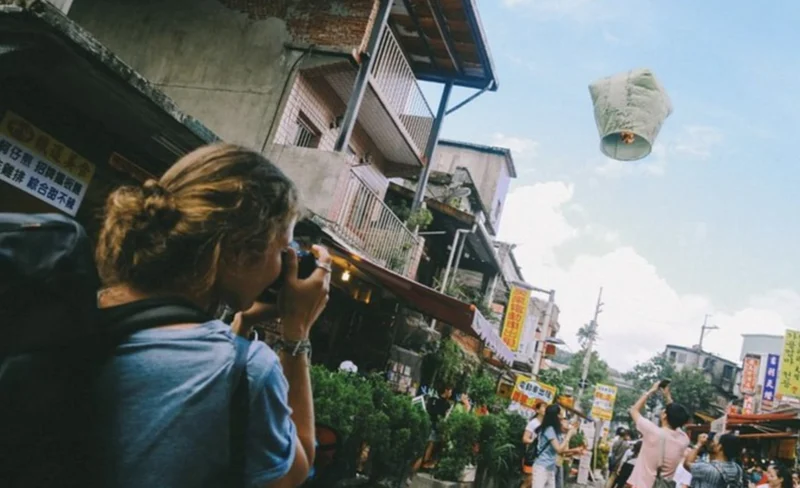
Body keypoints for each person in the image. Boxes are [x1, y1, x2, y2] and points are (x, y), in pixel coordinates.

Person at [92, 143, 331, 488]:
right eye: (283, 250)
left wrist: (242, 326)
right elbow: (295, 471)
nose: (285, 265)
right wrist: (297, 330)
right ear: (239, 252)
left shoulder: (79, 305)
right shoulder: (247, 372)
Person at [627, 381, 691, 488]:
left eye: (664, 410)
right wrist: (668, 397)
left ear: (664, 416)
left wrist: (651, 391)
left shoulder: (652, 431)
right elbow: (678, 421)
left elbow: (634, 410)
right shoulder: (684, 440)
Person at [533, 404, 583, 488]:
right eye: (560, 414)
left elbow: (561, 450)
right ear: (555, 416)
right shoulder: (549, 429)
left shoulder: (555, 430)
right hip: (541, 467)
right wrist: (569, 435)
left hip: (550, 467)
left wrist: (573, 450)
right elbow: (559, 449)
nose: (562, 417)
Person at [522, 401, 548, 488]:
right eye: (544, 407)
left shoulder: (546, 424)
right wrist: (534, 441)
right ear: (537, 410)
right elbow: (525, 438)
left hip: (540, 457)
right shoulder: (533, 423)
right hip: (531, 456)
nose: (546, 409)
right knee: (529, 481)